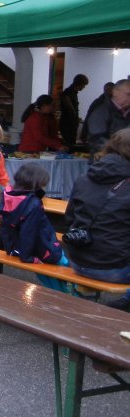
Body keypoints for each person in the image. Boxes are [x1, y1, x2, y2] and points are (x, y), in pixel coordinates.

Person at [64, 127, 130, 310]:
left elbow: (69, 219)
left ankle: (125, 302)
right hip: (114, 269)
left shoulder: (85, 177)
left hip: (78, 261)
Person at [0, 163, 70, 292]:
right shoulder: (33, 203)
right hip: (43, 249)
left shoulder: (7, 194)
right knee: (63, 267)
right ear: (36, 183)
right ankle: (68, 299)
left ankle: (58, 296)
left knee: (48, 278)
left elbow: (4, 225)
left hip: (20, 247)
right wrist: (28, 257)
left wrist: (10, 248)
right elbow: (29, 232)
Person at [84, 79, 130, 159]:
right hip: (105, 163)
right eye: (128, 94)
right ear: (115, 92)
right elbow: (97, 139)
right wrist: (120, 151)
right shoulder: (100, 112)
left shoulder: (127, 112)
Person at [59, 74, 88, 146]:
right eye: (84, 85)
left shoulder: (71, 93)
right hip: (68, 124)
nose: (84, 87)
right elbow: (71, 109)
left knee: (71, 143)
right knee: (70, 144)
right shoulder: (68, 93)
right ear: (79, 84)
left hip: (70, 124)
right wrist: (75, 118)